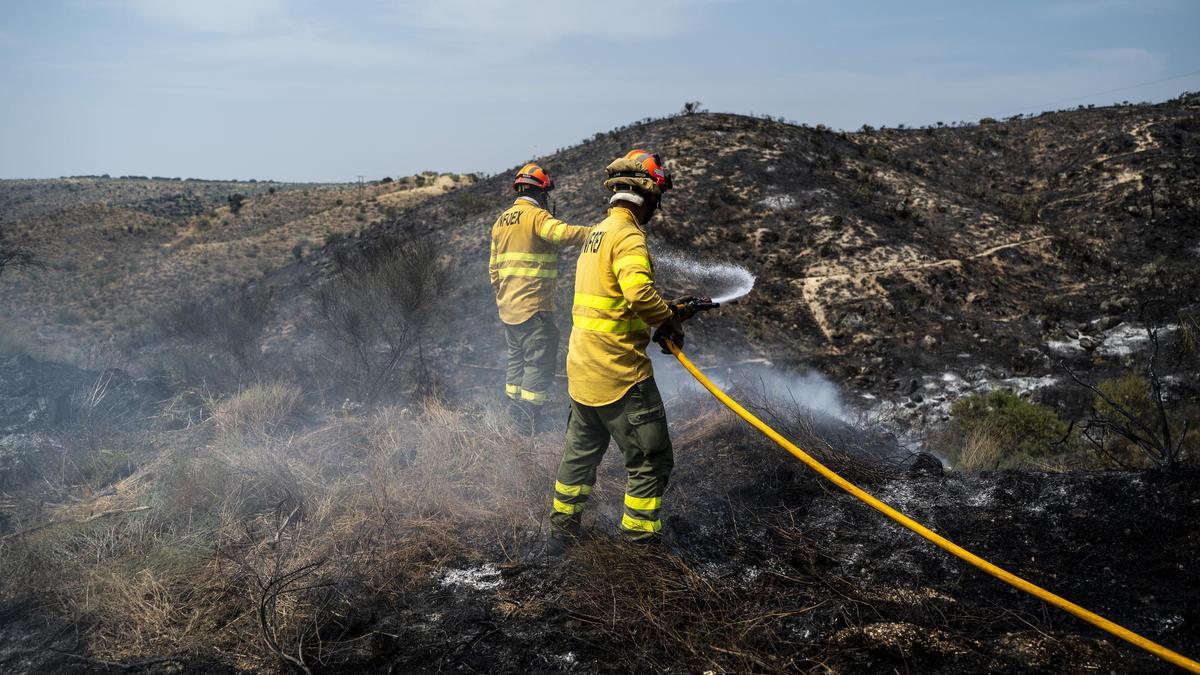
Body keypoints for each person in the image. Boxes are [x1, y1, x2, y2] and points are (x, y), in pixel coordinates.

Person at [548, 149, 699, 549]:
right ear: (646, 196)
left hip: (583, 370)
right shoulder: (629, 236)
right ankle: (639, 543)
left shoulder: (597, 233)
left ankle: (561, 535)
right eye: (657, 200)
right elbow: (638, 294)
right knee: (651, 461)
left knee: (579, 457)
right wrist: (667, 320)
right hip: (620, 376)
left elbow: (614, 300)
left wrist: (669, 312)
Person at [489, 163, 590, 428]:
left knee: (517, 360)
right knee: (539, 361)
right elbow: (562, 233)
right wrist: (597, 233)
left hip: (508, 308)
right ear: (542, 192)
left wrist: (505, 296)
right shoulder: (536, 217)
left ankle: (514, 413)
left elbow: (494, 270)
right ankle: (529, 421)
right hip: (533, 307)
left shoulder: (500, 222)